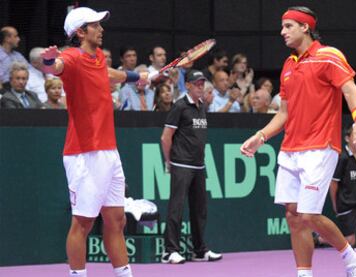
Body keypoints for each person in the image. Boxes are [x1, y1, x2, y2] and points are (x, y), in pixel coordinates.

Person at [240, 6, 356, 277]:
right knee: (293, 215)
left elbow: (350, 89)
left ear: (305, 27)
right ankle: (304, 273)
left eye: (288, 26)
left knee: (309, 215)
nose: (282, 32)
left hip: (321, 147)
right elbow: (284, 113)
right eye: (282, 26)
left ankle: (353, 259)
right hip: (290, 150)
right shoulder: (289, 65)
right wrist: (260, 136)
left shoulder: (328, 56)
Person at [41, 7, 148, 277]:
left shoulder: (97, 56)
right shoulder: (72, 58)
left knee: (116, 220)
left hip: (109, 152)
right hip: (84, 154)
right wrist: (48, 61)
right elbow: (56, 68)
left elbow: (108, 73)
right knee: (83, 223)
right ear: (80, 32)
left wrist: (136, 77)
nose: (101, 30)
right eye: (95, 25)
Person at [160, 69, 222, 264]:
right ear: (187, 85)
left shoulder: (202, 106)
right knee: (176, 208)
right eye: (197, 84)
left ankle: (199, 251)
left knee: (199, 210)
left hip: (199, 165)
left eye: (202, 83)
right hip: (181, 164)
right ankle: (170, 251)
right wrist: (169, 161)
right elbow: (165, 137)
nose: (200, 87)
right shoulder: (179, 106)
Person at [0, 26, 29, 90]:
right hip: (5, 89)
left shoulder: (17, 55)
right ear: (7, 38)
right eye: (16, 36)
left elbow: (29, 69)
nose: (19, 39)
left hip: (21, 86)